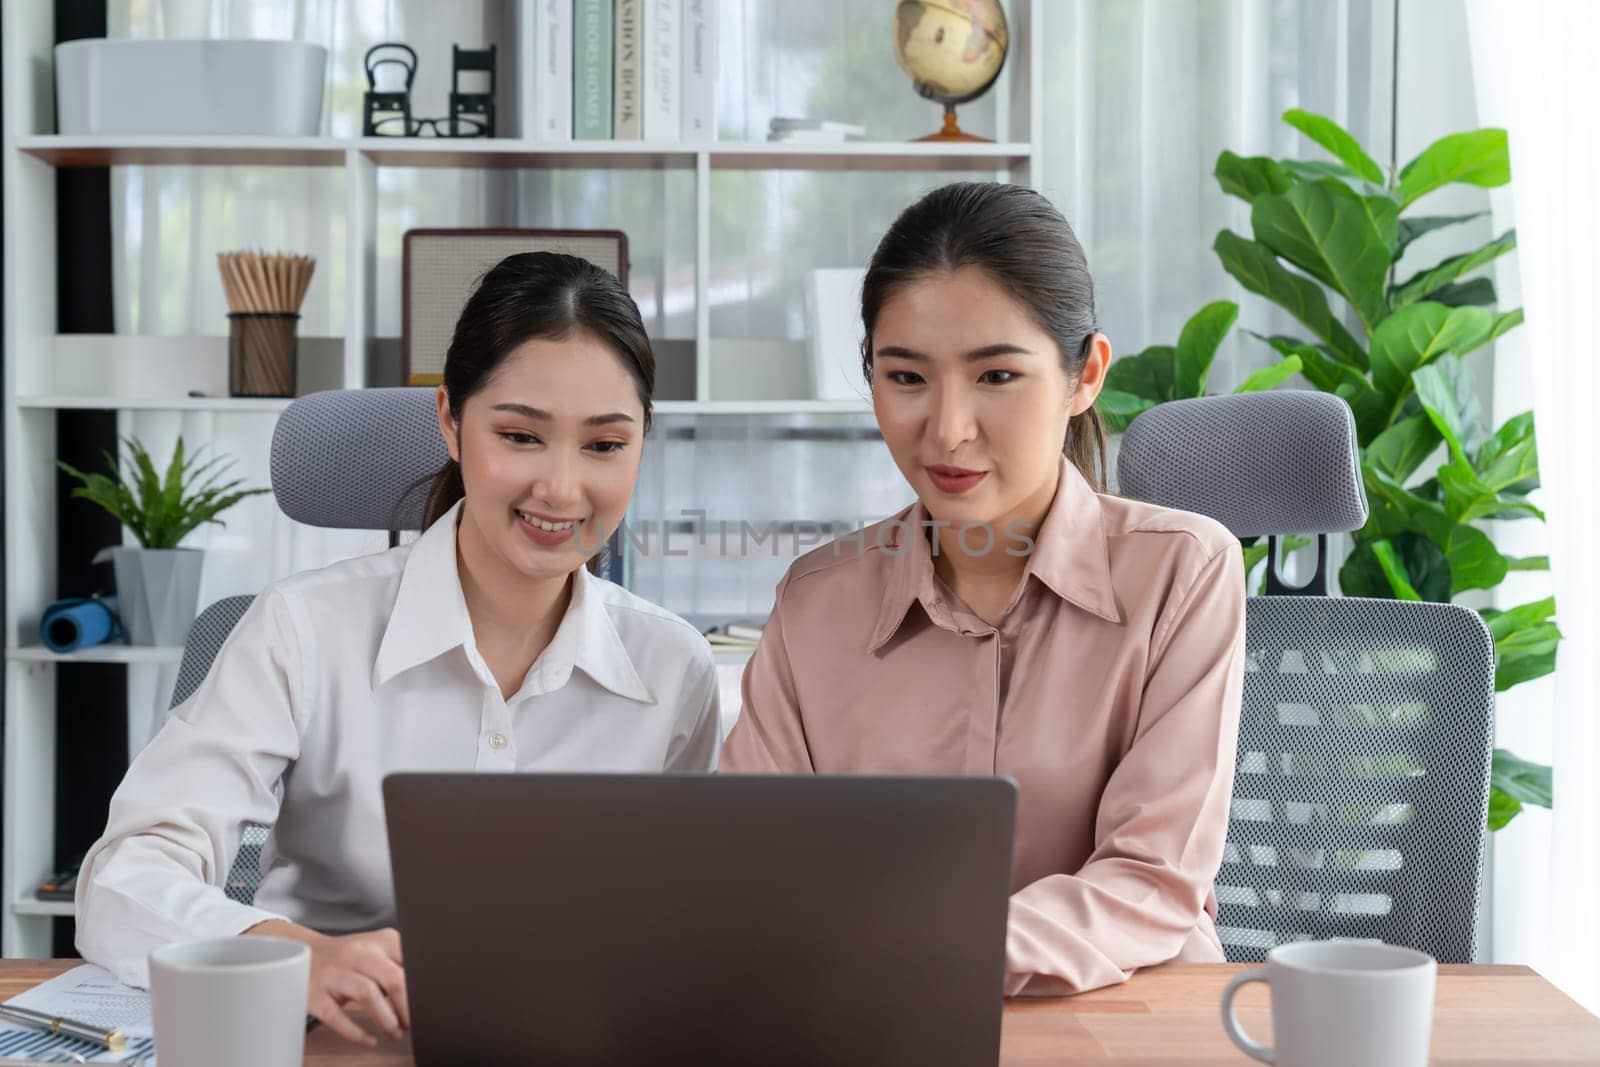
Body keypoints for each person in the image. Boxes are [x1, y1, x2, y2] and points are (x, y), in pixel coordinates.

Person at [76, 252, 720, 1045]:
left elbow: (688, 925)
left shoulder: (673, 667)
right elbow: (124, 878)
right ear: (450, 419)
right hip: (329, 1038)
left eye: (604, 445)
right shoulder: (302, 626)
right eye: (520, 435)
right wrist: (294, 954)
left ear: (642, 442)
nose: (561, 489)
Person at [720, 182, 1246, 996]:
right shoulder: (815, 604)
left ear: (1085, 375)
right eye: (906, 377)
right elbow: (750, 872)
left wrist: (921, 946)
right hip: (877, 1026)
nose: (948, 428)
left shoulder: (1182, 573)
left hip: (1121, 1018)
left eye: (996, 375)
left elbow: (1151, 879)